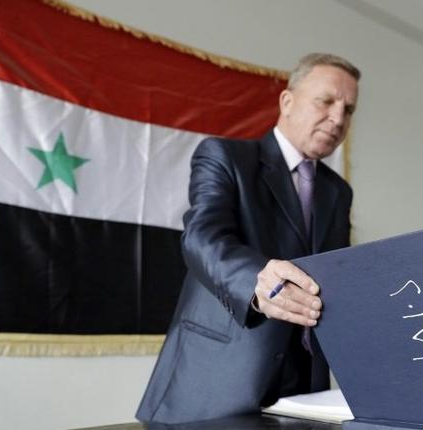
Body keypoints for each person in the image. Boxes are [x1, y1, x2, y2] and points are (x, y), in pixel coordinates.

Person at [136, 53, 360, 424]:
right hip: (218, 377)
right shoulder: (224, 156)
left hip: (304, 387)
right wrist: (258, 282)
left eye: (349, 109)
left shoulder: (338, 191)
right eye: (326, 101)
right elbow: (202, 237)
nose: (338, 118)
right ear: (287, 102)